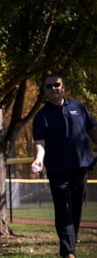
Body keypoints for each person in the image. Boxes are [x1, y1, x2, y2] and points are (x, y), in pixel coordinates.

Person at [31, 74, 97, 258]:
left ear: (63, 87)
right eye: (49, 86)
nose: (53, 88)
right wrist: (38, 159)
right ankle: (69, 253)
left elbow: (93, 131)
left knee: (76, 208)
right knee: (63, 210)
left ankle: (69, 244)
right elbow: (40, 143)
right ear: (44, 91)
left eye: (56, 85)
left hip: (81, 167)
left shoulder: (78, 108)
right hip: (58, 170)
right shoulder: (41, 116)